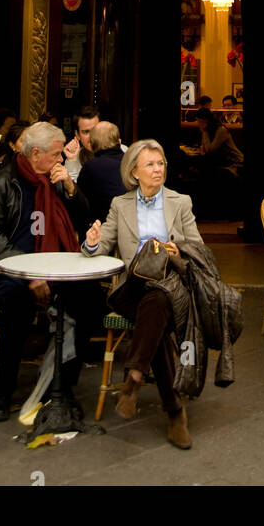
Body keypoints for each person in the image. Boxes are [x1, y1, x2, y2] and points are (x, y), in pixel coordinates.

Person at [83, 139, 202, 448]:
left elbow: (198, 248)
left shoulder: (180, 202)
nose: (157, 170)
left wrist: (181, 250)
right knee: (156, 309)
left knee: (159, 303)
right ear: (134, 172)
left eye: (160, 163)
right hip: (129, 289)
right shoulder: (119, 205)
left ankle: (136, 375)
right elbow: (101, 247)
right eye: (150, 165)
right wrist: (93, 242)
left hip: (168, 285)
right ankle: (173, 412)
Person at [0, 121, 94, 422]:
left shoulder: (54, 179)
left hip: (56, 263)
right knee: (17, 306)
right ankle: (3, 390)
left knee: (88, 300)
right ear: (36, 153)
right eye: (55, 154)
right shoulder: (2, 184)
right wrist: (28, 273)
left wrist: (69, 187)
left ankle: (64, 385)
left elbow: (84, 218)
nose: (60, 160)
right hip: (11, 270)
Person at [76, 121, 125, 224]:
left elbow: (79, 201)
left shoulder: (91, 166)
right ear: (119, 142)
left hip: (103, 228)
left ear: (92, 145)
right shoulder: (132, 162)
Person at [63, 106, 101, 182]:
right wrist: (71, 160)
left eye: (95, 130)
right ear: (77, 135)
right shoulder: (74, 158)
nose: (92, 136)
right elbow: (71, 190)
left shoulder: (122, 151)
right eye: (86, 132)